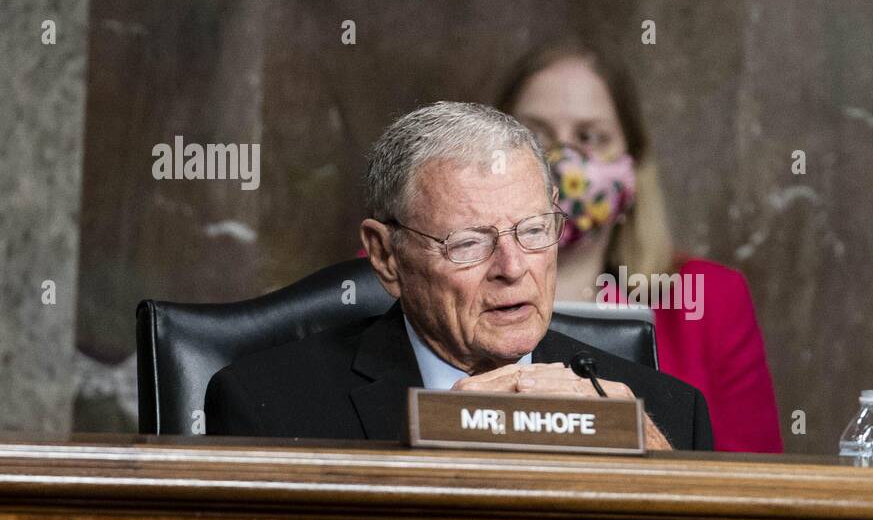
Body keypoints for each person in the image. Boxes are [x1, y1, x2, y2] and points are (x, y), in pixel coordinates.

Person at [205, 102, 713, 451]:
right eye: (469, 243)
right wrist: (437, 443)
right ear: (384, 255)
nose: (512, 269)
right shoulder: (268, 408)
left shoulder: (664, 411)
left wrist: (650, 459)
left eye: (535, 231)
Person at [495, 42, 782, 453]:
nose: (561, 158)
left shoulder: (710, 299)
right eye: (534, 135)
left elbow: (755, 481)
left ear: (632, 162)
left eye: (589, 137)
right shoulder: (425, 275)